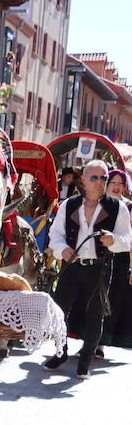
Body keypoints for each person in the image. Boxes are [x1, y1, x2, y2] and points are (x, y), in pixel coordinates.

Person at [45, 159, 132, 377]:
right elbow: (55, 235)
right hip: (73, 267)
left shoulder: (117, 207)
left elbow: (127, 239)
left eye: (103, 178)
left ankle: (85, 361)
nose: (100, 182)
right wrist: (62, 249)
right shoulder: (70, 205)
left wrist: (115, 240)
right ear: (83, 180)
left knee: (95, 315)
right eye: (94, 177)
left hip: (99, 269)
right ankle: (61, 352)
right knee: (60, 311)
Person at [105, 169, 132, 349]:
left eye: (119, 183)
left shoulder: (129, 207)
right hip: (98, 258)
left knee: (113, 300)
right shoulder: (97, 203)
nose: (116, 186)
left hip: (121, 260)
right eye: (113, 182)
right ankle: (87, 341)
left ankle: (102, 343)